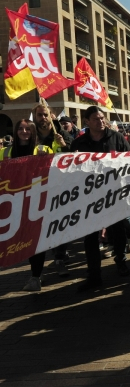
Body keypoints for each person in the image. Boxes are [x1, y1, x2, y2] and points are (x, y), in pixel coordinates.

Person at [69, 106, 130, 292]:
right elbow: (71, 170)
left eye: (102, 118)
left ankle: (121, 260)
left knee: (118, 231)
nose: (101, 121)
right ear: (87, 121)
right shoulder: (79, 143)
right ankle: (94, 274)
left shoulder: (117, 138)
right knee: (90, 237)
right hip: (90, 198)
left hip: (114, 194)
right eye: (96, 119)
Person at [0, 120, 53, 292]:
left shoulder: (43, 150)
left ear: (33, 132)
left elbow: (54, 169)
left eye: (27, 129)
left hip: (36, 201)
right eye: (21, 129)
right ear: (15, 132)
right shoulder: (4, 152)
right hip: (12, 203)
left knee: (34, 238)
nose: (24, 132)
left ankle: (36, 276)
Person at [33, 103, 73, 276]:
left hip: (59, 185)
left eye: (46, 115)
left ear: (52, 116)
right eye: (40, 115)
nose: (43, 118)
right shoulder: (31, 135)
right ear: (35, 118)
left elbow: (74, 156)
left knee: (60, 222)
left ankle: (60, 256)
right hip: (38, 187)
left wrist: (64, 145)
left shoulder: (61, 134)